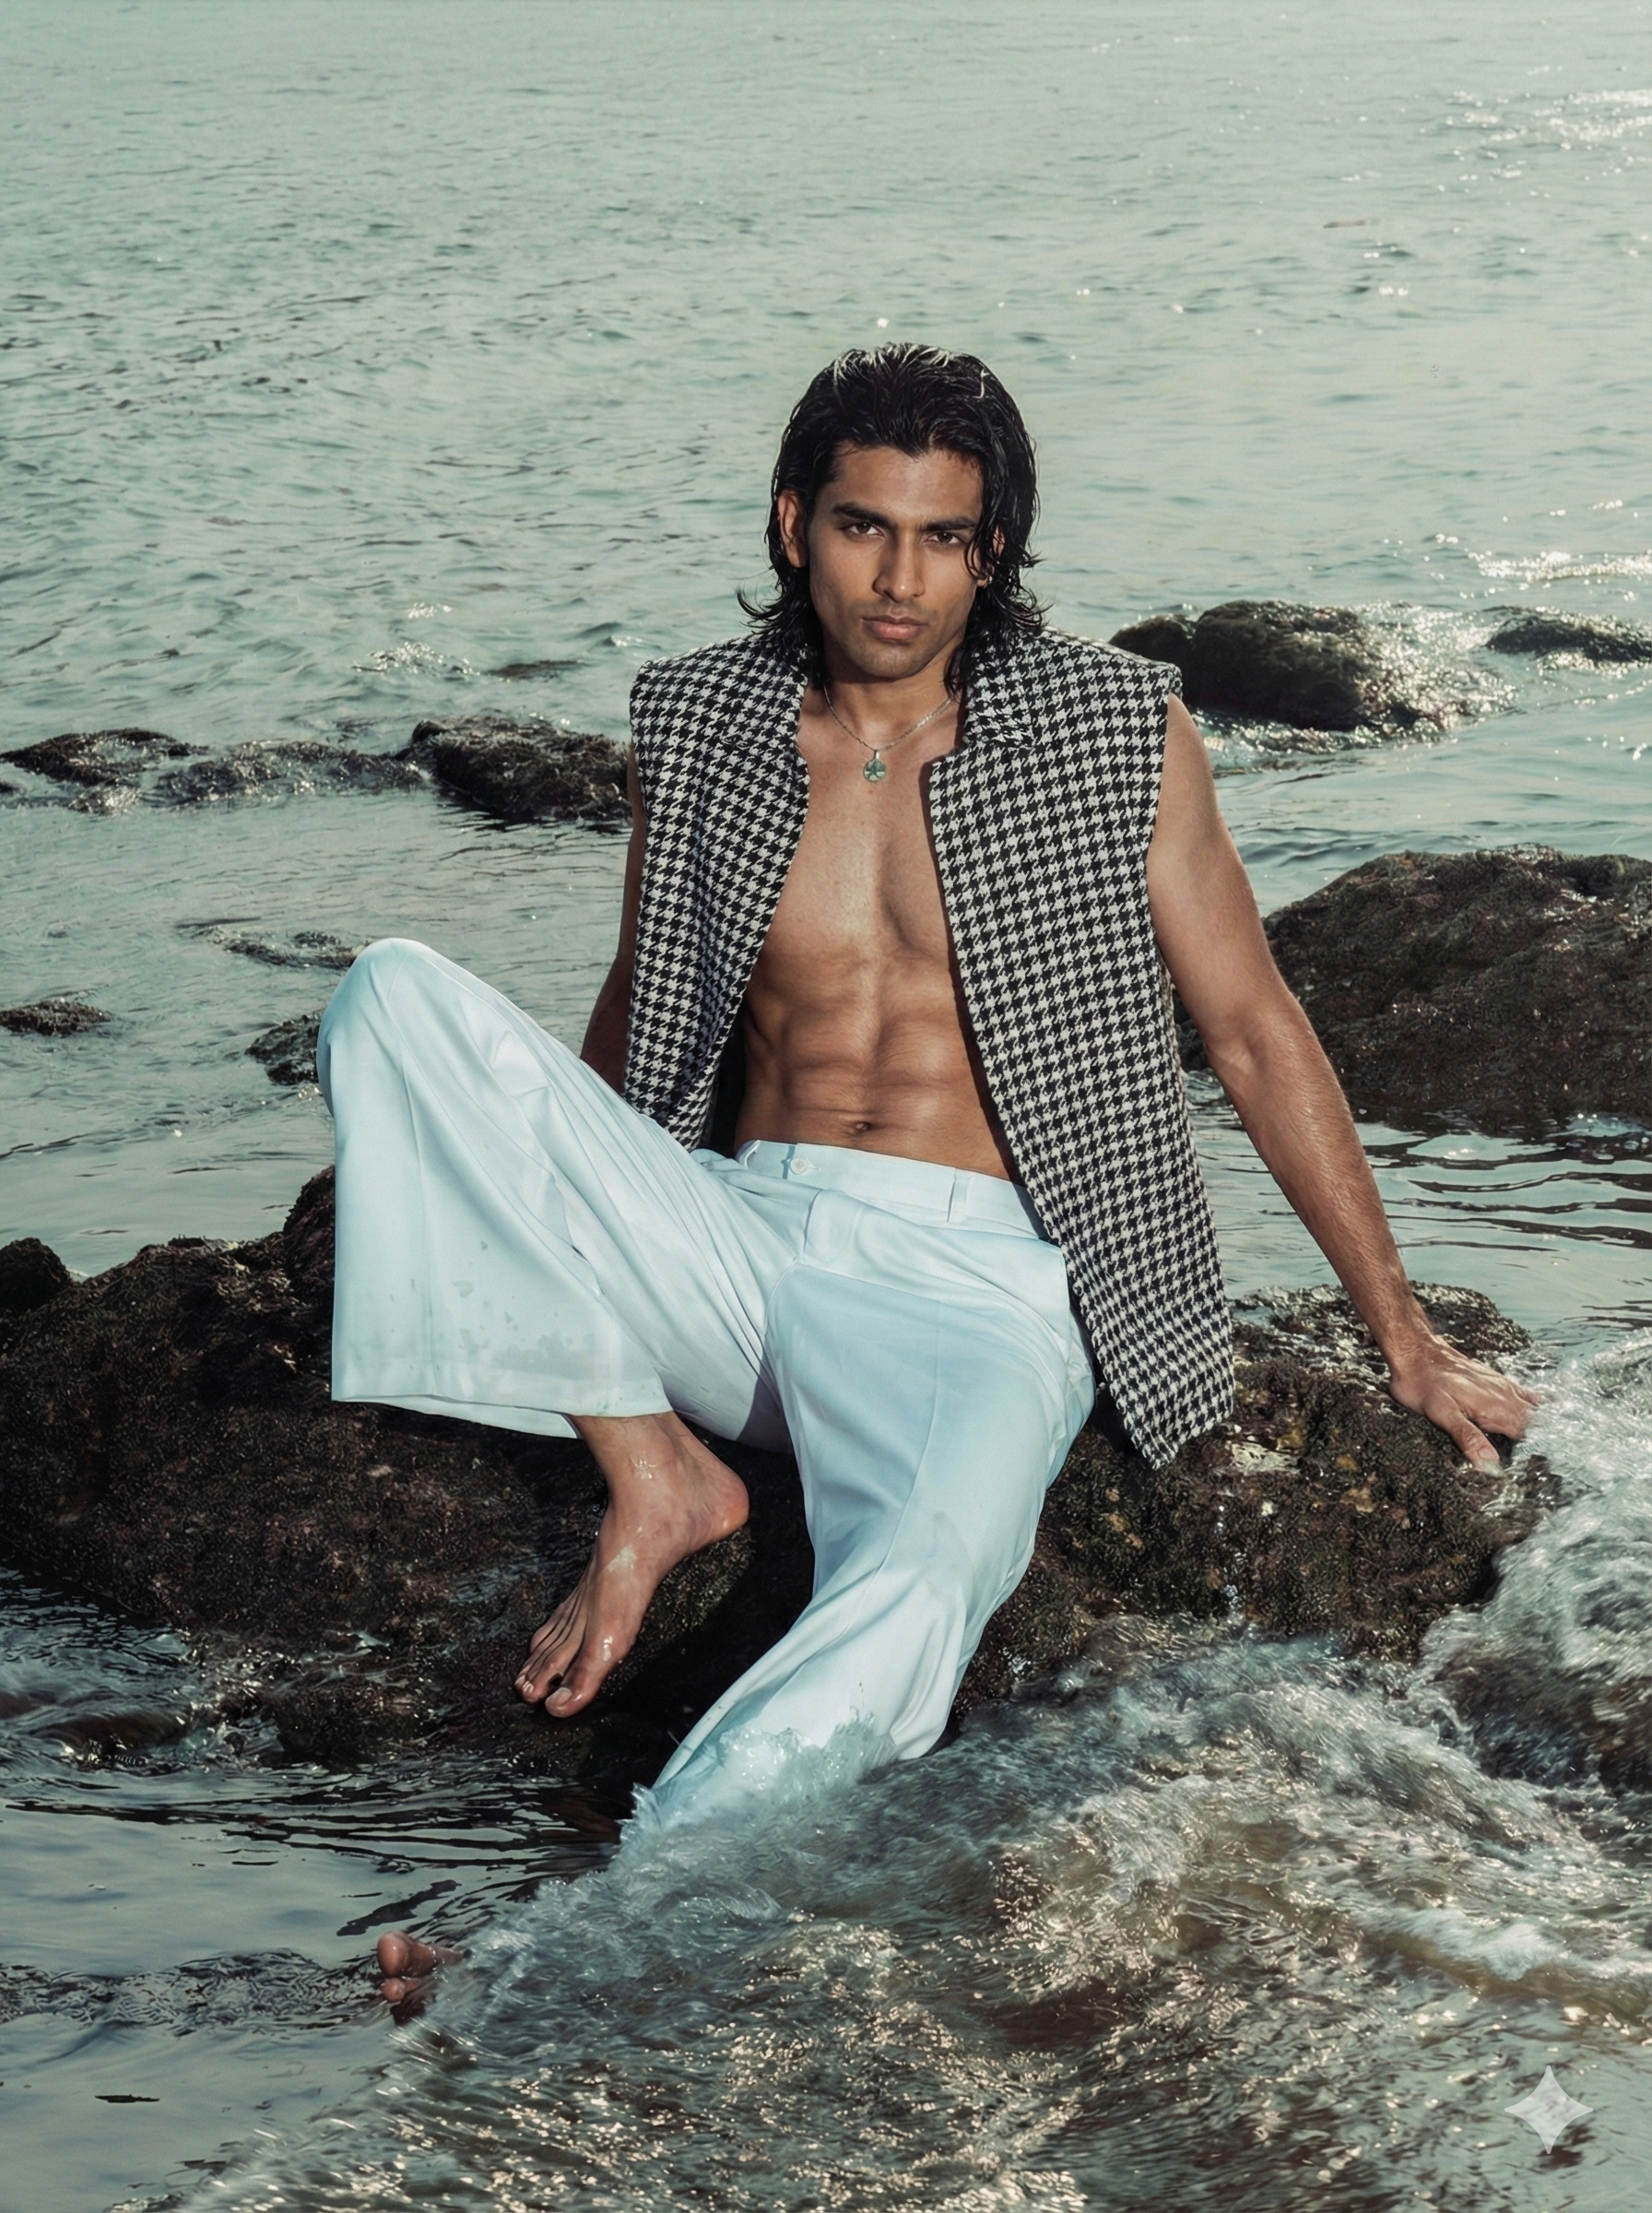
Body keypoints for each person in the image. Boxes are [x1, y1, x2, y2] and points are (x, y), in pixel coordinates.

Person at [319, 343, 1534, 2005]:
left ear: (994, 548)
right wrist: (565, 1219)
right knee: (389, 994)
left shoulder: (1116, 727)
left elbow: (1252, 1027)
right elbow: (641, 1001)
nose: (899, 580)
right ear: (792, 524)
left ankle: (580, 1937)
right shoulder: (697, 719)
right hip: (737, 1230)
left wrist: (1399, 1330)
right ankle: (656, 1474)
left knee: (913, 1588)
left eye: (942, 537)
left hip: (976, 1285)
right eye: (862, 528)